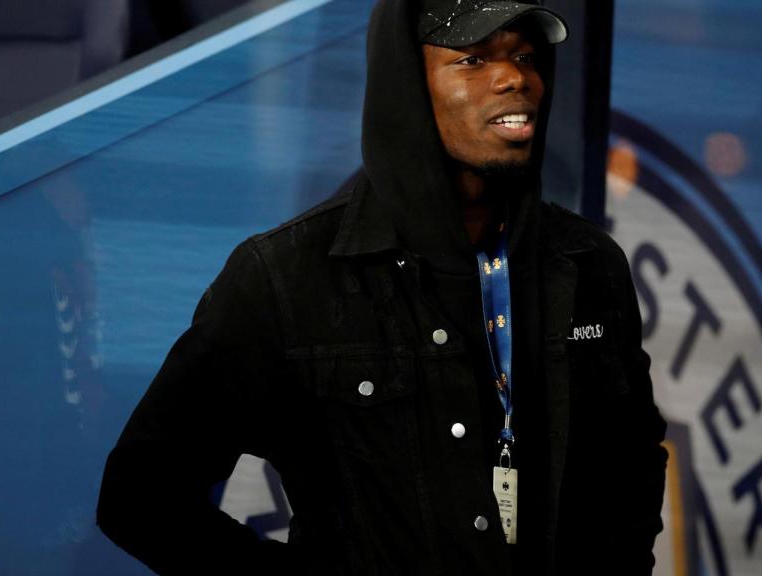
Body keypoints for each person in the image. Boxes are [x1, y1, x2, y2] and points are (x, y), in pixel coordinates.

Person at [96, 0, 667, 574]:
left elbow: (634, 466)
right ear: (407, 89)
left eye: (523, 55)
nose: (513, 76)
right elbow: (141, 496)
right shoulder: (287, 274)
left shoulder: (591, 263)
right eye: (471, 59)